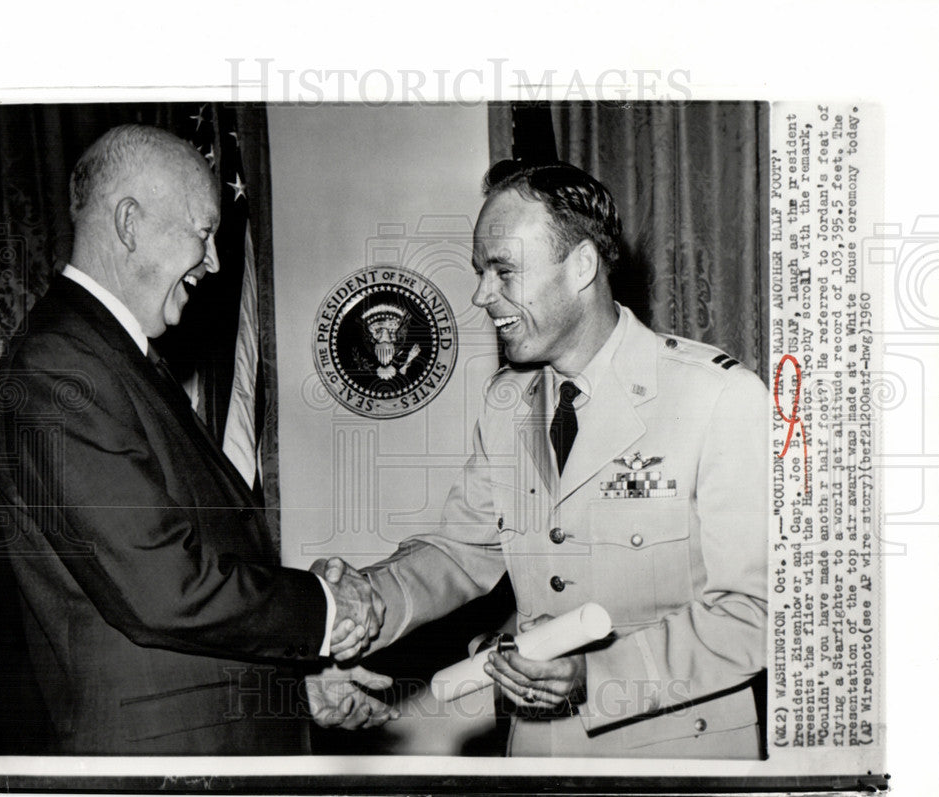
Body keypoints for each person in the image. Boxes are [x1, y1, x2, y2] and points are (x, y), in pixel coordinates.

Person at [318, 160, 769, 757]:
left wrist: (598, 678)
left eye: (504, 271)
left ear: (581, 265)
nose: (482, 296)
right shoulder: (507, 402)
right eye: (482, 273)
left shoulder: (716, 396)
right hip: (536, 757)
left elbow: (759, 610)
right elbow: (459, 552)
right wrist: (360, 604)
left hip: (677, 757)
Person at [0, 124, 391, 754]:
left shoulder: (113, 357)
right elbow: (161, 588)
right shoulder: (60, 367)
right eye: (204, 234)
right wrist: (324, 610)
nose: (215, 263)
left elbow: (181, 583)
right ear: (129, 223)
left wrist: (296, 686)